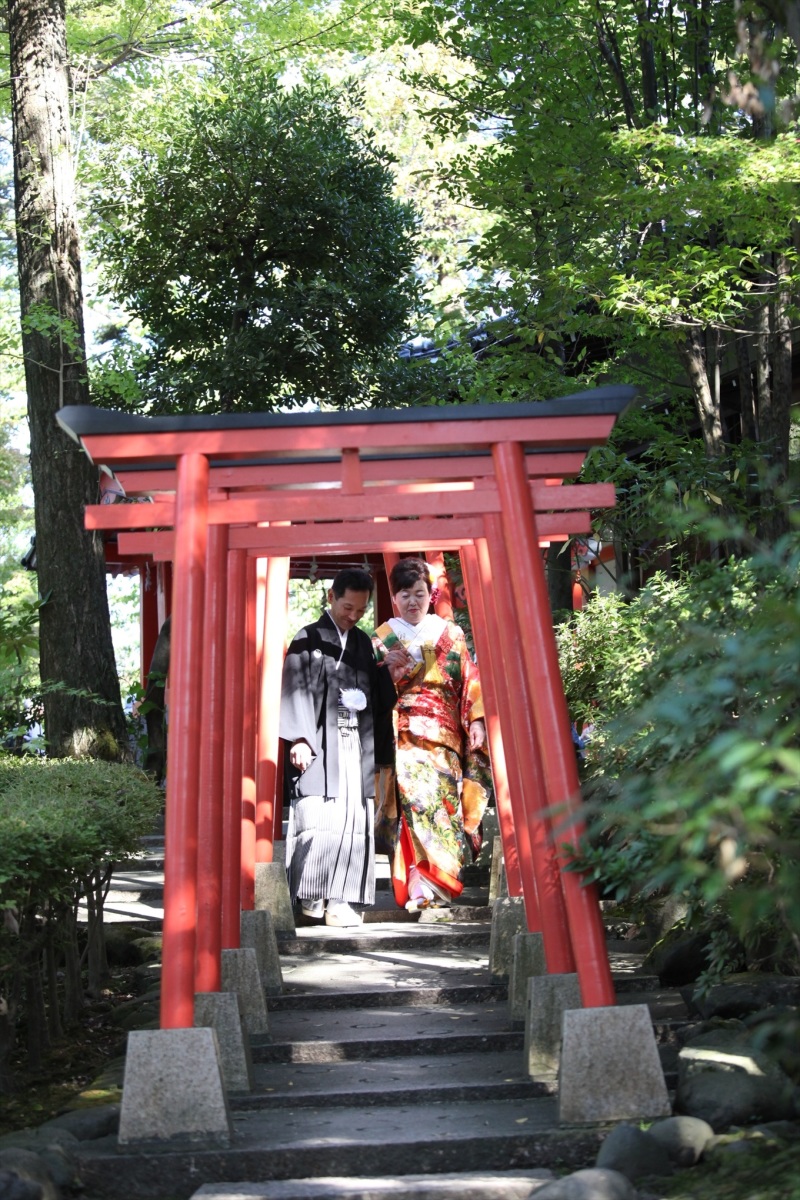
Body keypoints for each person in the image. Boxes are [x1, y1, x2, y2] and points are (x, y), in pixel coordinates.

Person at [373, 557, 492, 911]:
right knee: (413, 805)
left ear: (432, 593)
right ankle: (418, 886)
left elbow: (470, 680)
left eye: (420, 593)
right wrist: (389, 677)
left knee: (444, 806)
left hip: (446, 738)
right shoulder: (381, 638)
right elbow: (375, 691)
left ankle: (441, 884)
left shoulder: (451, 634)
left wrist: (477, 721)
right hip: (405, 735)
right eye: (405, 594)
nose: (413, 601)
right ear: (394, 598)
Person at [280, 567, 396, 927]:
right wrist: (299, 737)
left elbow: (378, 698)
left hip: (354, 743)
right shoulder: (307, 638)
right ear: (332, 597)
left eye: (361, 611)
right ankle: (310, 896)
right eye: (348, 607)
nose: (354, 616)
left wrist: (387, 669)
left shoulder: (364, 643)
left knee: (353, 822)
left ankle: (341, 902)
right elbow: (295, 690)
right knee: (317, 817)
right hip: (318, 743)